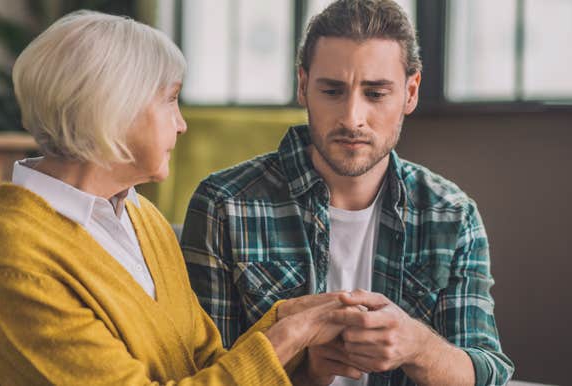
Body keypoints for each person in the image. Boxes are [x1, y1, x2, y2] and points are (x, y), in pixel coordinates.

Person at [0, 10, 357, 385]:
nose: (182, 125)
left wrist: (299, 354)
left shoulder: (142, 217)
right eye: (170, 100)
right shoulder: (15, 261)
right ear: (113, 108)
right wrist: (284, 339)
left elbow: (203, 365)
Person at [181, 1, 515, 385]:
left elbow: (488, 375)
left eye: (375, 94)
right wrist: (307, 372)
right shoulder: (224, 206)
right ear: (303, 86)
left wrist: (418, 347)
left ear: (410, 92)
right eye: (333, 91)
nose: (352, 117)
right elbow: (204, 375)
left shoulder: (452, 216)